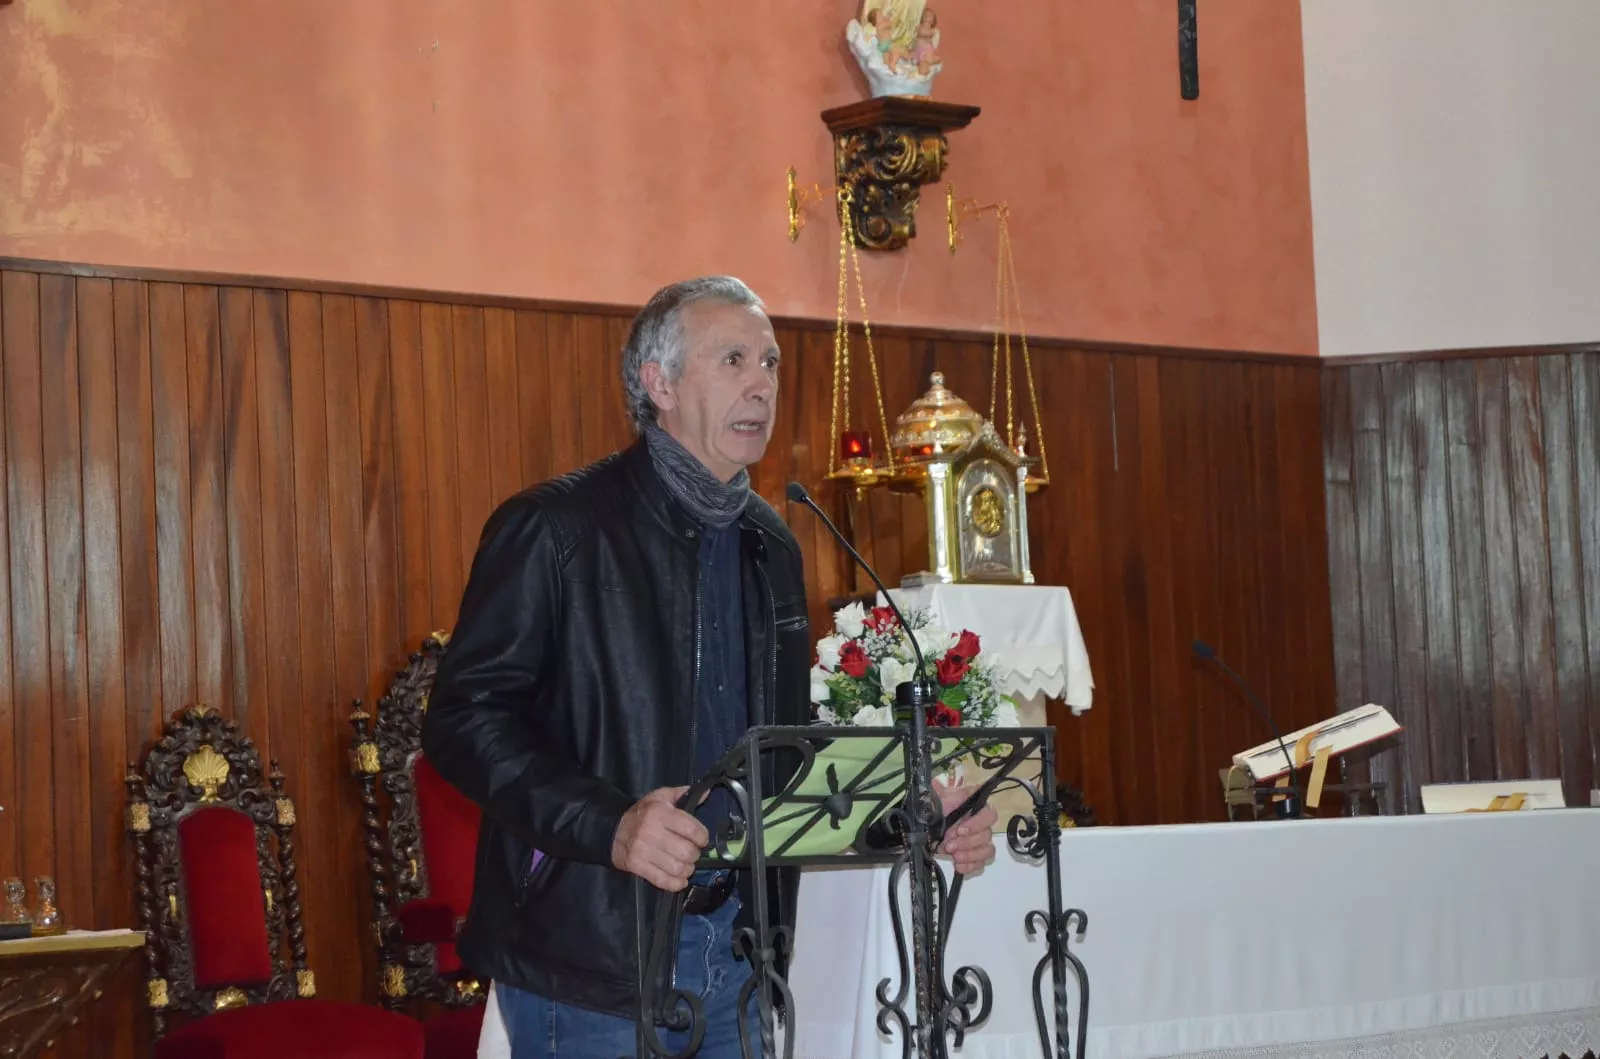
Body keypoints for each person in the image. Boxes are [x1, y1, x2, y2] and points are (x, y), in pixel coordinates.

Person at [422, 276, 998, 1058]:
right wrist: (613, 823)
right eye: (733, 360)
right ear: (659, 383)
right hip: (593, 959)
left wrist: (913, 808)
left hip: (742, 952)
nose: (762, 384)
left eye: (770, 363)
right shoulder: (554, 529)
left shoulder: (772, 544)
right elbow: (462, 723)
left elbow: (782, 750)